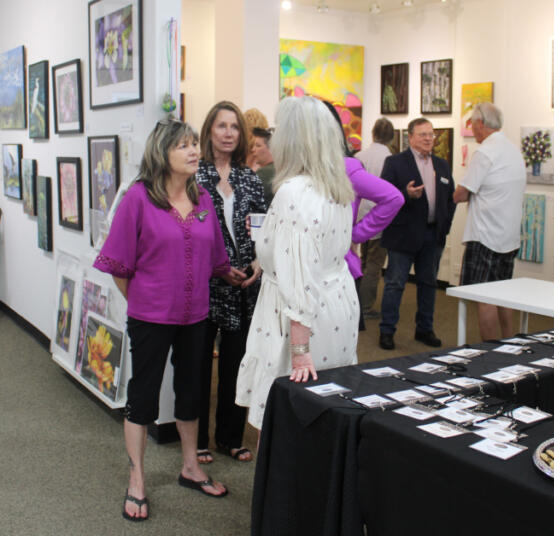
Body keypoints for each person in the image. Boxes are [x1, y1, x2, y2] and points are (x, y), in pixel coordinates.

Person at [94, 119, 236, 521]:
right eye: (184, 146)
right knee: (144, 396)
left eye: (195, 145)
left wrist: (233, 273)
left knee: (192, 392)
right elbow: (118, 264)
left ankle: (190, 468)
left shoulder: (204, 198)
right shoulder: (139, 199)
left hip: (196, 317)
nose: (194, 152)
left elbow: (217, 256)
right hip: (151, 317)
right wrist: (142, 301)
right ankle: (136, 478)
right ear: (162, 153)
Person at [235, 96, 359, 427]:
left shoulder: (294, 192)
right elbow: (313, 253)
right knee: (326, 411)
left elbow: (299, 279)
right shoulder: (337, 188)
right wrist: (267, 250)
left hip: (295, 320)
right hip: (337, 307)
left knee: (285, 421)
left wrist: (300, 351)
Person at [195, 101, 267, 464]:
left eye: (234, 127)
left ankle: (230, 437)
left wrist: (258, 262)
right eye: (221, 126)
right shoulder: (194, 178)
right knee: (198, 366)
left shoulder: (249, 178)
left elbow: (262, 229)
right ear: (209, 131)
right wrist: (218, 267)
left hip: (244, 285)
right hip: (204, 286)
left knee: (237, 363)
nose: (228, 133)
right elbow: (187, 236)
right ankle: (198, 441)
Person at [320, 102, 404, 331]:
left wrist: (354, 234)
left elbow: (393, 198)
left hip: (339, 268)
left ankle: (365, 306)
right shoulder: (303, 169)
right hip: (311, 272)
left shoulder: (348, 166)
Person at [379, 118, 456, 350]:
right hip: (403, 234)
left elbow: (450, 198)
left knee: (428, 284)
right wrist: (406, 194)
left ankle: (424, 329)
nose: (427, 139)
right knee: (395, 284)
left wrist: (445, 224)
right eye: (422, 134)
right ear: (410, 137)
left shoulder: (442, 165)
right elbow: (384, 195)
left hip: (432, 235)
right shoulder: (395, 163)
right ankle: (387, 331)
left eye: (431, 134)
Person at [453, 102, 526, 341]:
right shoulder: (513, 150)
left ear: (480, 124)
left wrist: (451, 193)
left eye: (472, 124)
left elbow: (462, 193)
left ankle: (491, 350)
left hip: (485, 236)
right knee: (504, 294)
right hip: (508, 236)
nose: (472, 129)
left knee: (483, 297)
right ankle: (509, 344)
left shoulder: (485, 152)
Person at [355, 118, 397, 318]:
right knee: (374, 263)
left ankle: (356, 299)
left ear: (372, 133)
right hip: (379, 218)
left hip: (359, 214)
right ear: (391, 137)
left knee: (361, 260)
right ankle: (365, 306)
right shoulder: (390, 158)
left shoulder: (359, 155)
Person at [249, 127, 275, 207]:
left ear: (271, 149)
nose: (253, 149)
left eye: (258, 146)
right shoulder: (279, 169)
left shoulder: (264, 173)